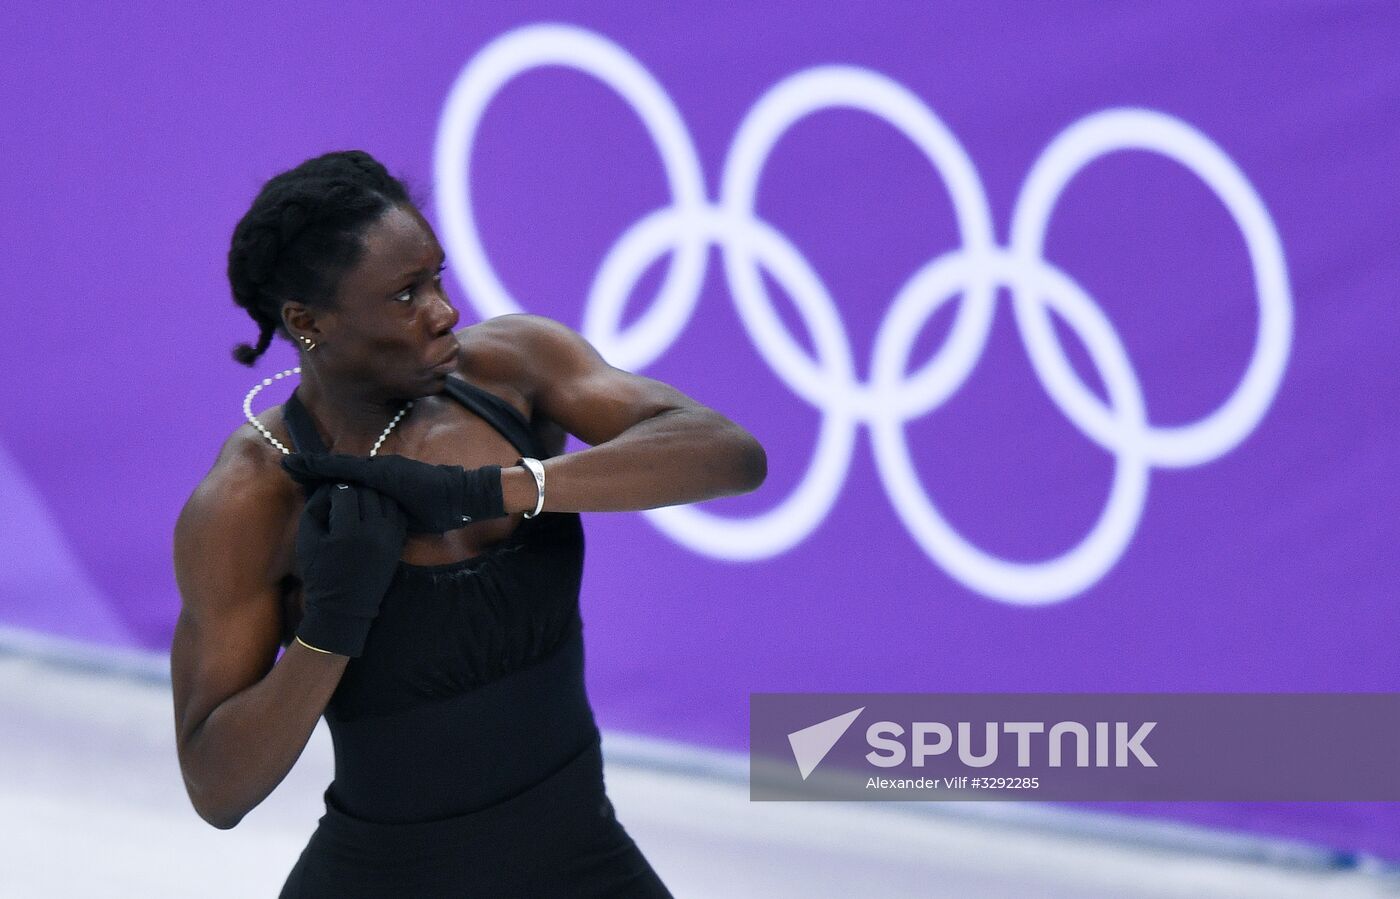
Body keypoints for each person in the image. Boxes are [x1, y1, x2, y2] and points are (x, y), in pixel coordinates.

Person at [170, 150, 766, 896]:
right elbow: (216, 787)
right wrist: (331, 626)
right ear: (308, 323)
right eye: (404, 294)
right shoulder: (252, 498)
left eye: (437, 277)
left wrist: (492, 491)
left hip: (583, 865)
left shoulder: (511, 371)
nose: (445, 310)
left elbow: (729, 454)